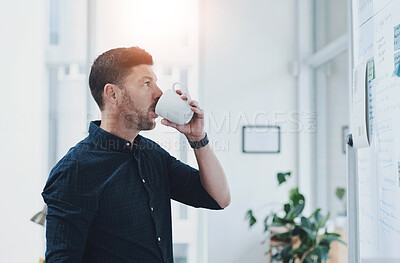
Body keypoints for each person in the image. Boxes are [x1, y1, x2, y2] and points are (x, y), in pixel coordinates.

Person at [42, 46, 230, 263]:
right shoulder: (74, 171)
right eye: (146, 83)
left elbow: (219, 198)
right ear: (113, 94)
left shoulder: (152, 155)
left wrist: (198, 139)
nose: (159, 93)